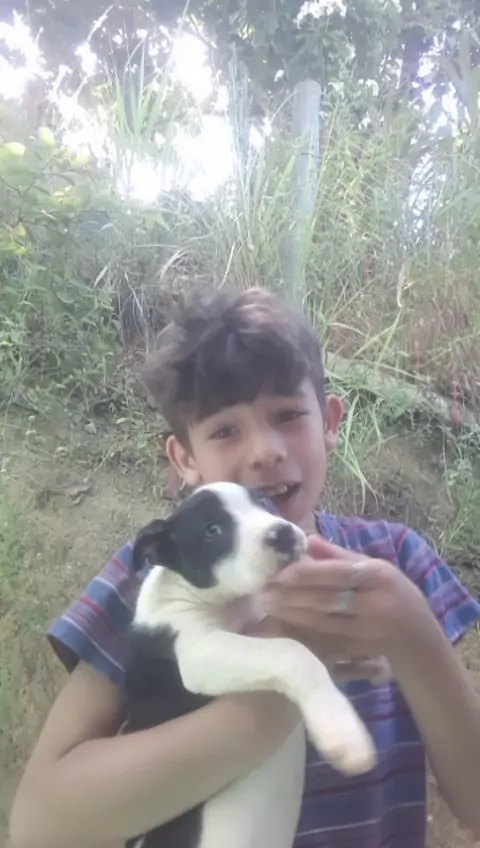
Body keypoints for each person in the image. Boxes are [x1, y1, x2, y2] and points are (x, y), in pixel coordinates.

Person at [9, 286, 480, 848]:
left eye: (288, 415)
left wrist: (412, 631)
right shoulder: (154, 579)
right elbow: (39, 824)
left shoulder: (397, 561)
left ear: (330, 421)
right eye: (225, 430)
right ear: (184, 458)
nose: (264, 450)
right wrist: (277, 694)